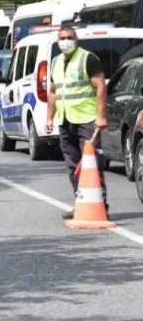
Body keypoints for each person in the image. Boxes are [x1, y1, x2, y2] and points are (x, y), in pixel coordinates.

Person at [45, 25, 108, 220]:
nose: (66, 41)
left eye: (69, 37)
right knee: (72, 164)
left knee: (91, 164)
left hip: (86, 120)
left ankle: (100, 204)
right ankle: (81, 202)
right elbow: (53, 92)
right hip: (66, 120)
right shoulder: (55, 62)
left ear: (76, 39)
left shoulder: (87, 58)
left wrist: (101, 116)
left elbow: (100, 86)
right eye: (62, 38)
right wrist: (49, 117)